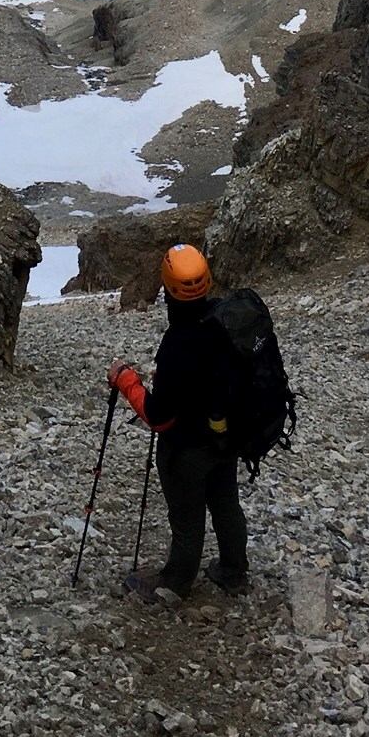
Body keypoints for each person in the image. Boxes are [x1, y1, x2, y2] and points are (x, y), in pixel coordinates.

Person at [108, 243, 249, 600]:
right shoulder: (224, 321)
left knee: (187, 519)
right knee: (225, 501)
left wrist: (126, 381)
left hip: (187, 447)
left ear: (168, 288)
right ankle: (233, 570)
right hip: (224, 435)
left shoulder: (177, 343)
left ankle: (175, 582)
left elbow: (158, 415)